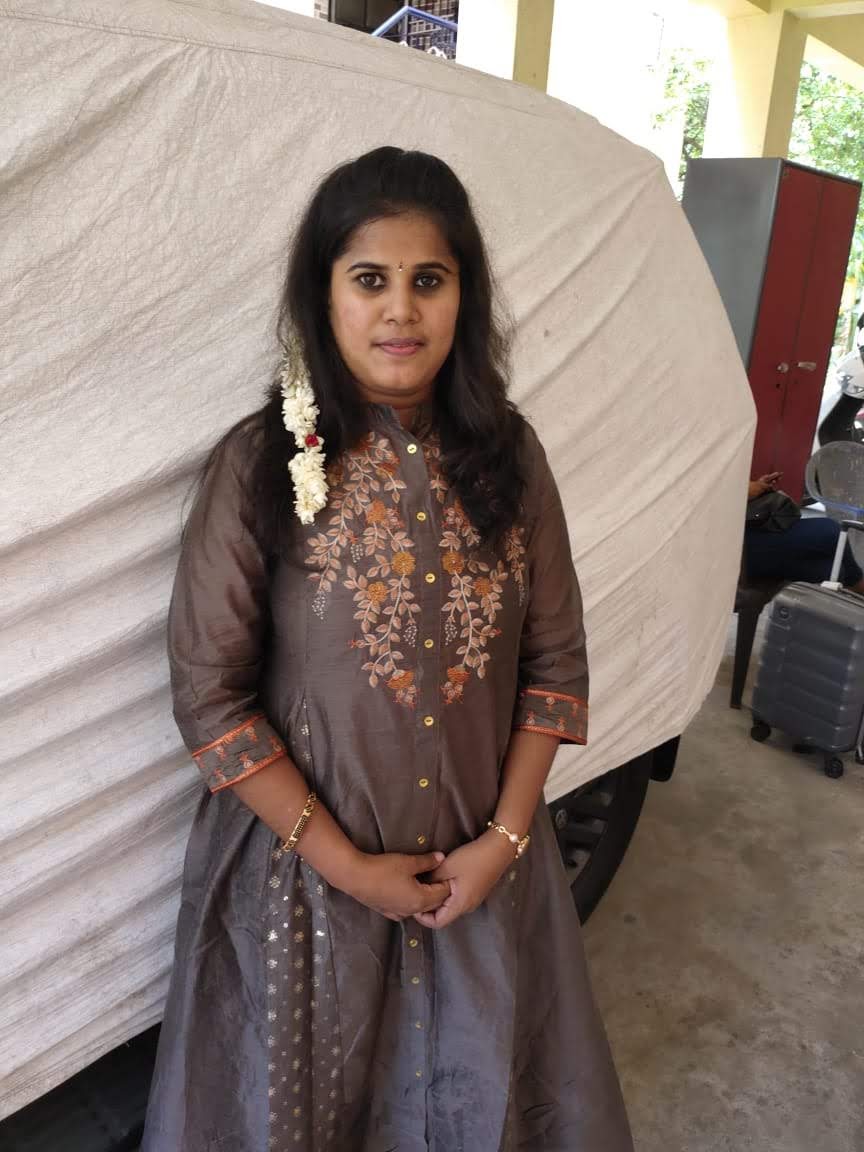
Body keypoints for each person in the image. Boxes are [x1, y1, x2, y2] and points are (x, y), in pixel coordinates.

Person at [141, 147, 633, 1152]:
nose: (400, 311)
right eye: (370, 279)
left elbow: (554, 666)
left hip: (480, 876)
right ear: (323, 296)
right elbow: (212, 699)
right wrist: (350, 868)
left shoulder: (511, 458)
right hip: (305, 886)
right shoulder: (261, 464)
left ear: (464, 297)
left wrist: (502, 844)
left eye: (429, 280)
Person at [745, 472, 864, 592]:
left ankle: (856, 586)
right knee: (831, 532)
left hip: (754, 526)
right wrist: (749, 489)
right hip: (741, 541)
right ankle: (858, 584)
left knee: (831, 570)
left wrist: (758, 486)